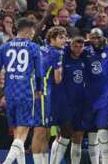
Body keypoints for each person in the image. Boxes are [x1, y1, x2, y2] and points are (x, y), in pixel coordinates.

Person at [0, 18, 42, 164]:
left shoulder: (4, 47)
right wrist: (39, 90)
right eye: (33, 30)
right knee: (22, 134)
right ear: (28, 29)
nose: (33, 33)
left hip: (9, 93)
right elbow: (39, 73)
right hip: (26, 91)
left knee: (17, 134)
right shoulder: (33, 47)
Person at [32, 26, 66, 164]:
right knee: (40, 132)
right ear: (52, 39)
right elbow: (58, 79)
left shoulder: (42, 48)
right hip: (43, 93)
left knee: (45, 132)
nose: (64, 40)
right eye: (61, 37)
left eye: (65, 37)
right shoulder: (57, 54)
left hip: (38, 91)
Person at [50, 37, 86, 164]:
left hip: (80, 104)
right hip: (64, 104)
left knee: (78, 136)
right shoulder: (63, 57)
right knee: (62, 135)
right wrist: (66, 42)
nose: (78, 49)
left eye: (80, 46)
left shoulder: (85, 58)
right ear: (70, 46)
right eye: (75, 46)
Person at [83, 28, 108, 164]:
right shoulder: (85, 51)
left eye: (98, 37)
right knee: (91, 136)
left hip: (105, 97)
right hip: (88, 98)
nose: (95, 40)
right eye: (93, 38)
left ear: (103, 38)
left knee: (103, 132)